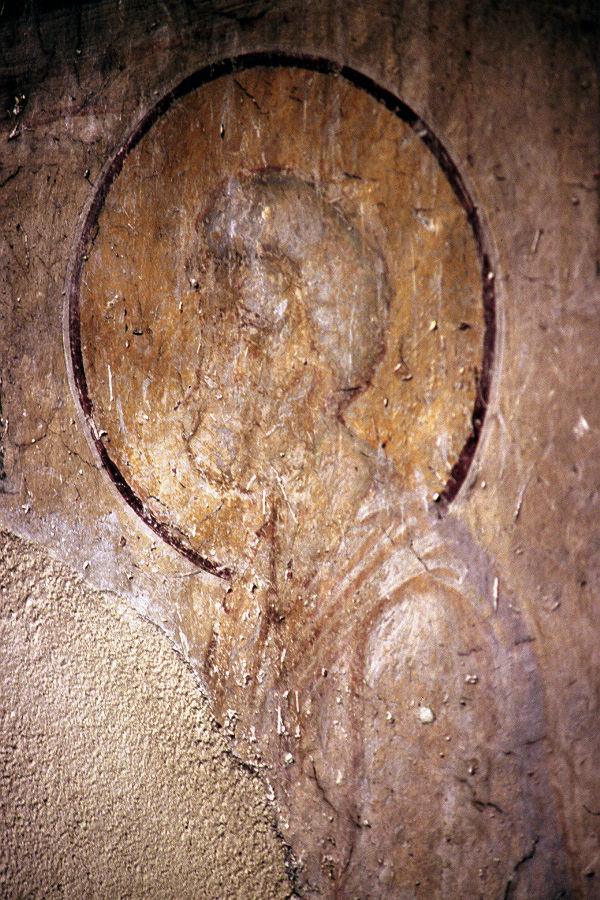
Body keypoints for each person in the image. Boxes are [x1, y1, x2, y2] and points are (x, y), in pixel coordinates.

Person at [181, 170, 568, 897]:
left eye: (231, 336)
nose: (200, 374)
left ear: (304, 367)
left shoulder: (420, 622)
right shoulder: (246, 605)